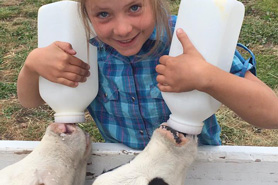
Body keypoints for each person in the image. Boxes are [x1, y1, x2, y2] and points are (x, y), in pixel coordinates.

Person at [17, 0, 278, 150]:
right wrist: (31, 66)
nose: (122, 29)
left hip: (196, 168)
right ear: (85, 15)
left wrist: (208, 77)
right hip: (125, 168)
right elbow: (30, 102)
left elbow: (272, 114)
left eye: (134, 7)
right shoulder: (83, 49)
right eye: (103, 14)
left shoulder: (194, 40)